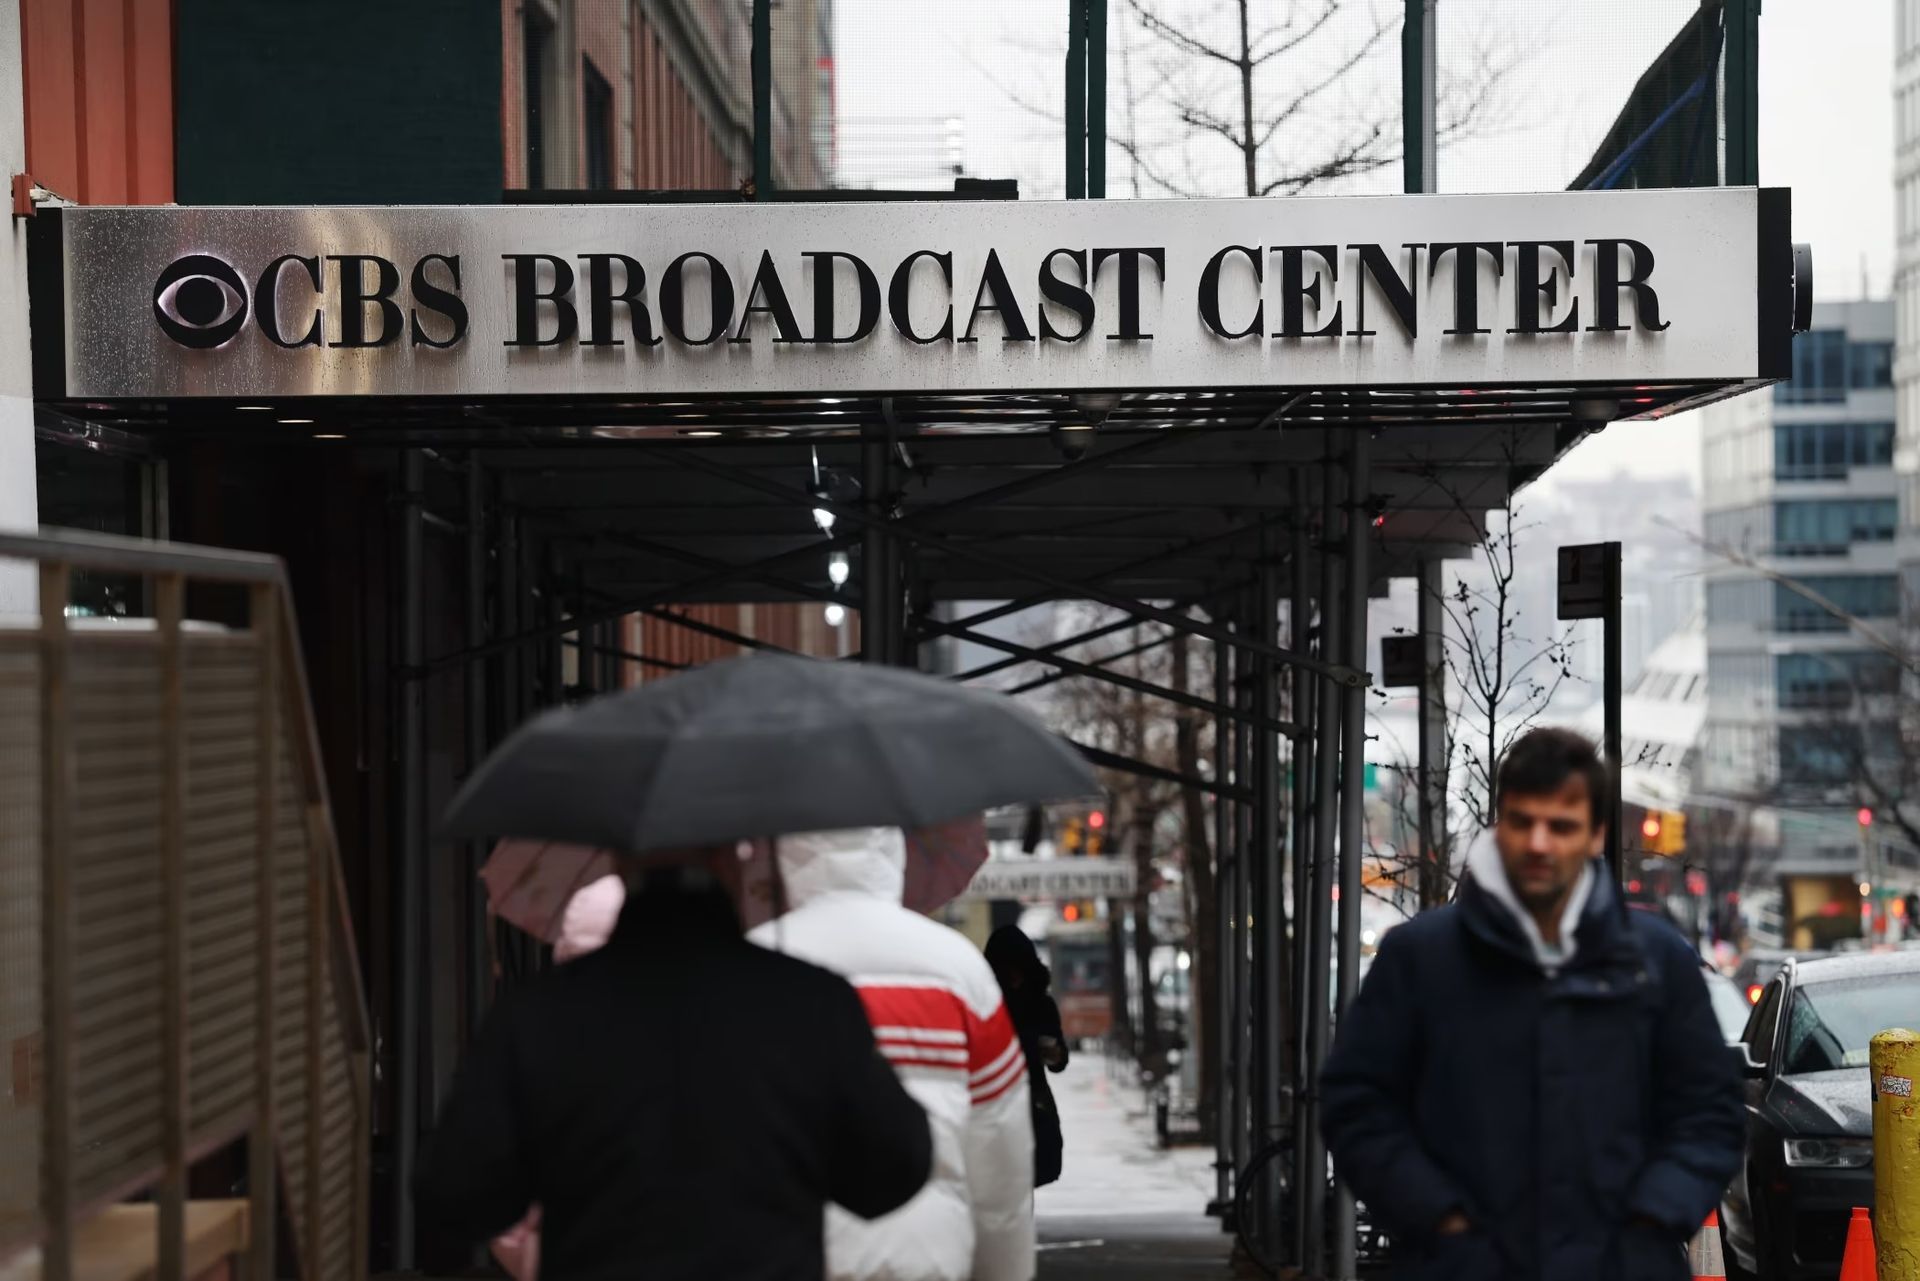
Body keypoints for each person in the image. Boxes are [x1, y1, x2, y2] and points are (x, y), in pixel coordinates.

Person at [1319, 727, 1742, 1281]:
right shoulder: (1419, 957)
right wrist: (1439, 1220)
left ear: (1596, 836)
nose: (1539, 843)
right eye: (1523, 821)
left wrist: (1650, 1222)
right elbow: (1357, 1103)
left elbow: (1710, 1112)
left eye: (1561, 826)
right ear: (1501, 825)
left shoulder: (1656, 960)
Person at [415, 859, 933, 1281]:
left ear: (619, 860)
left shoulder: (538, 1015)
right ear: (735, 859)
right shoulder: (812, 1004)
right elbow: (892, 1172)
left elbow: (457, 1193)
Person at [748, 827, 1036, 1281]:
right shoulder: (958, 970)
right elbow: (1001, 1162)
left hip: (789, 1252)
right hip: (927, 1257)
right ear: (893, 846)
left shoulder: (754, 964)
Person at [984, 926, 1069, 1188]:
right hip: (995, 1103)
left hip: (1032, 1102)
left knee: (1027, 1175)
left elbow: (1059, 1061)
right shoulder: (986, 1003)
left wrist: (1054, 1053)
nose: (1015, 979)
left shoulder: (1041, 1004)